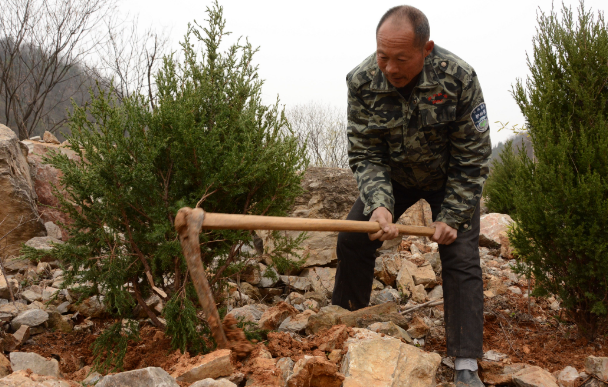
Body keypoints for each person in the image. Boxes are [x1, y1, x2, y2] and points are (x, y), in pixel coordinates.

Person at [331, 5, 491, 387]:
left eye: (401, 58)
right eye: (383, 56)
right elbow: (365, 152)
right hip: (394, 177)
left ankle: (466, 363)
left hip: (449, 179)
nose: (390, 68)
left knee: (461, 256)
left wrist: (452, 215)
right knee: (354, 237)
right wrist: (380, 205)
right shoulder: (361, 80)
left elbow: (474, 156)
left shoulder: (459, 78)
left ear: (426, 49)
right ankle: (342, 328)